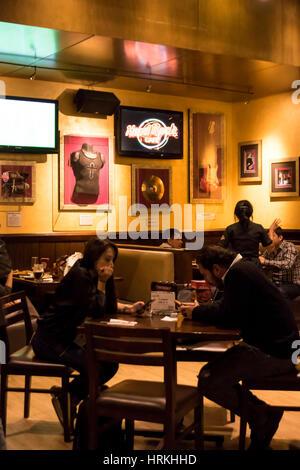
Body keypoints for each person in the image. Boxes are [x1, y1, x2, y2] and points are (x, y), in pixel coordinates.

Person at [179, 245, 299, 450]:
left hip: (276, 354)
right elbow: (228, 308)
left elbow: (229, 317)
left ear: (216, 269)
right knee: (213, 375)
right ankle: (263, 414)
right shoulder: (243, 269)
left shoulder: (238, 274)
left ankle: (262, 416)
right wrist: (201, 309)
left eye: (205, 274)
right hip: (279, 348)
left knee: (209, 380)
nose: (206, 280)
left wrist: (197, 313)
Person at [31, 238, 144, 429]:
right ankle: (70, 397)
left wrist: (128, 308)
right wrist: (102, 282)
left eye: (113, 261)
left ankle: (68, 396)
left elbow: (106, 304)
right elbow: (96, 309)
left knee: (109, 363)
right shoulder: (80, 276)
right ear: (94, 257)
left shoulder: (90, 274)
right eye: (107, 259)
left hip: (66, 338)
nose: (111, 265)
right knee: (98, 368)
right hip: (49, 340)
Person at [218, 200, 273, 265]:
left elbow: (220, 249)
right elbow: (270, 248)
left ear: (236, 214)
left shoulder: (230, 229)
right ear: (251, 213)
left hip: (236, 265)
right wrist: (271, 231)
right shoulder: (258, 228)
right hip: (254, 266)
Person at [259, 226, 300, 300]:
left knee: (277, 292)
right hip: (276, 283)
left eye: (272, 236)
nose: (269, 239)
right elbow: (262, 261)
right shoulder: (270, 249)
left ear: (280, 237)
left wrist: (266, 261)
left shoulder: (289, 247)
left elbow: (287, 264)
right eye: (268, 236)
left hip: (293, 284)